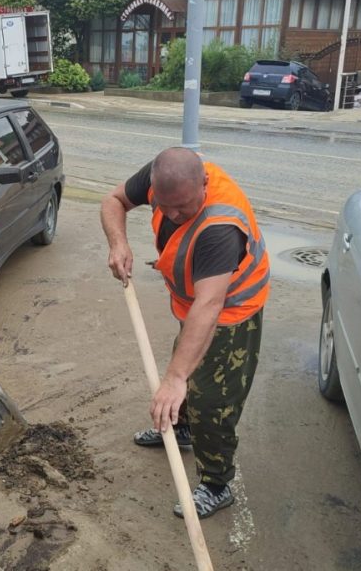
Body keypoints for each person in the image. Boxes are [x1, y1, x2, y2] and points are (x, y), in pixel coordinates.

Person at [101, 147, 269, 519]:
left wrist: (175, 378)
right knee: (188, 367)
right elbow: (113, 200)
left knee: (211, 398)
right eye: (166, 206)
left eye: (183, 207)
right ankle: (183, 430)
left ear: (204, 184)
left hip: (231, 313)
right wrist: (119, 243)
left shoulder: (220, 227)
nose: (174, 216)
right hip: (193, 304)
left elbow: (209, 308)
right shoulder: (162, 176)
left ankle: (216, 483)